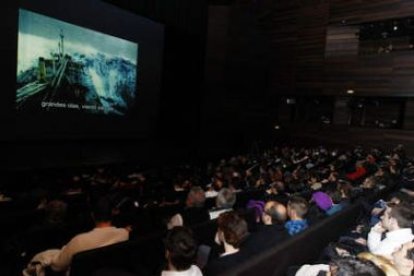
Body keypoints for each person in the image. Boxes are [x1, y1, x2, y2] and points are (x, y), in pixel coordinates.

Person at [50, 197, 129, 273]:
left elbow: (57, 266)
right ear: (113, 213)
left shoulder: (79, 241)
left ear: (92, 215)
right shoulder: (124, 234)